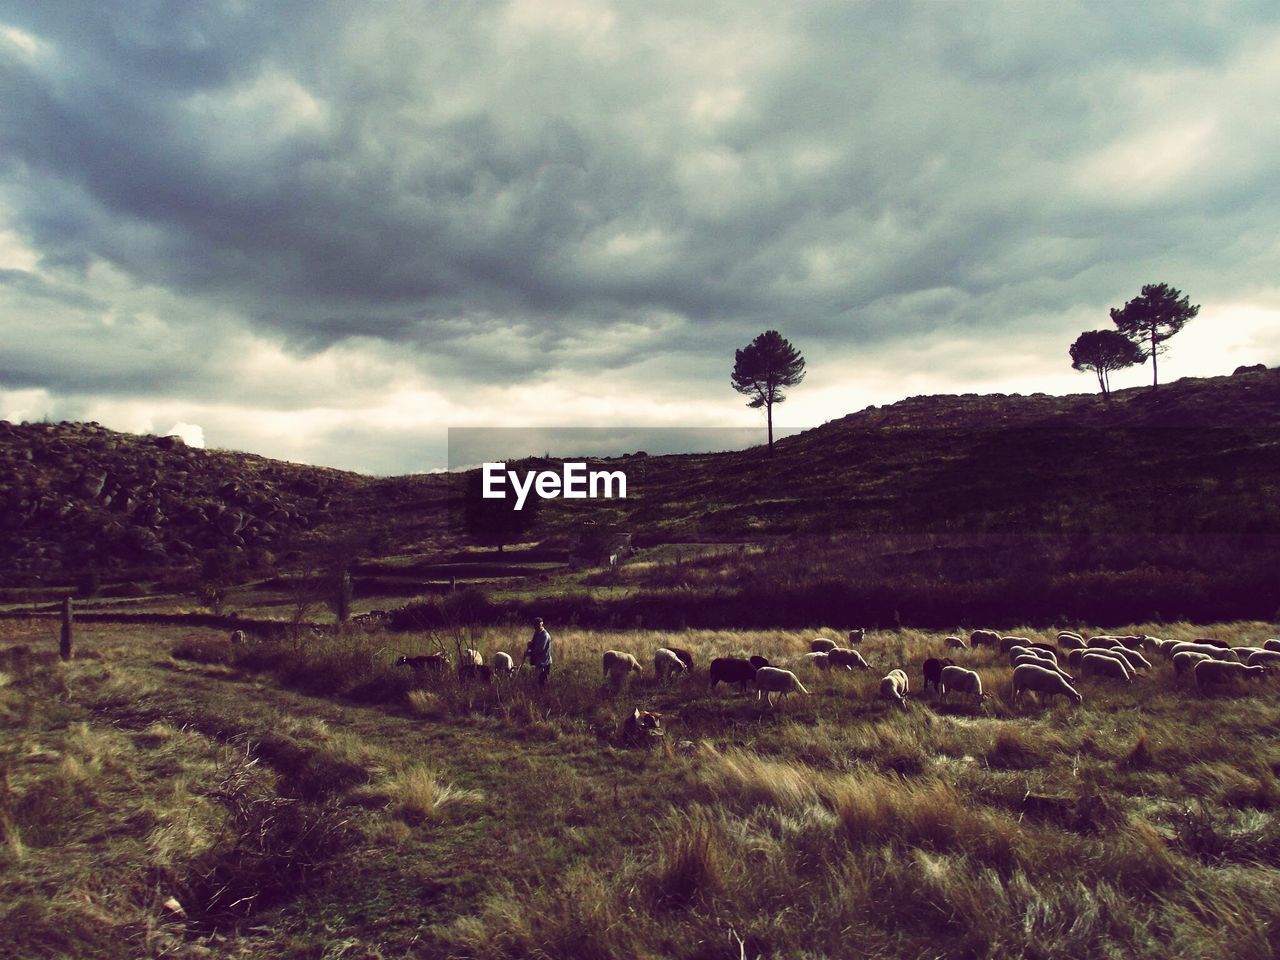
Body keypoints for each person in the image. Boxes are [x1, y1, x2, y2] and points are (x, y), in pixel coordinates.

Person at [523, 617, 553, 685]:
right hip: (539, 661)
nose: (536, 627)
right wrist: (530, 644)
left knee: (543, 682)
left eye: (538, 625)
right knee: (539, 681)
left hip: (544, 662)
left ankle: (545, 694)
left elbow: (540, 649)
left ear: (541, 625)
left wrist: (529, 653)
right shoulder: (537, 633)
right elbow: (534, 644)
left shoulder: (545, 635)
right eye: (535, 625)